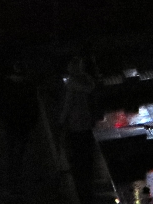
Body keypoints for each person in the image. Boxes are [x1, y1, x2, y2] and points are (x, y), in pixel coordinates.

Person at [59, 58, 97, 204]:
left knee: (77, 153)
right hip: (87, 121)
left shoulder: (70, 84)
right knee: (87, 152)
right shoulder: (88, 80)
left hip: (75, 123)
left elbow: (67, 105)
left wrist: (61, 121)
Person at [0, 61, 36, 182]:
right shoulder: (28, 85)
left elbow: (1, 104)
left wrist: (2, 118)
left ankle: (10, 172)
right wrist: (32, 122)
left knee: (11, 146)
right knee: (20, 148)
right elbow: (33, 106)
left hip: (11, 121)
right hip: (23, 122)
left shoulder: (7, 84)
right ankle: (17, 171)